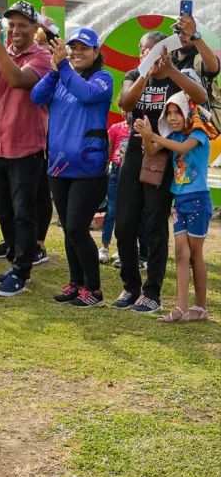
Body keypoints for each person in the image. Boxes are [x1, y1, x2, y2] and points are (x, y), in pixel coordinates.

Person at [113, 31, 207, 313]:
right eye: (145, 51)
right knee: (125, 224)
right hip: (135, 152)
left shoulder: (174, 79)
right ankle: (130, 286)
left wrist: (170, 71)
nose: (150, 56)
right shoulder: (134, 75)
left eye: (156, 51)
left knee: (154, 224)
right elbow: (125, 103)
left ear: (166, 52)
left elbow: (200, 96)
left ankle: (151, 292)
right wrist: (145, 73)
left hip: (164, 155)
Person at [0, 0, 53, 298]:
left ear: (34, 28)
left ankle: (22, 271)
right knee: (4, 210)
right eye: (11, 25)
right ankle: (14, 263)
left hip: (27, 147)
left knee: (23, 213)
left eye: (22, 25)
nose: (15, 30)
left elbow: (18, 80)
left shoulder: (42, 57)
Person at [30, 27, 114, 306]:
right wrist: (54, 71)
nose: (77, 52)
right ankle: (76, 283)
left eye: (84, 48)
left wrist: (63, 66)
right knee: (69, 229)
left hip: (88, 169)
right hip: (58, 167)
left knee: (77, 228)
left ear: (95, 53)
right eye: (73, 47)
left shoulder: (103, 78)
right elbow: (36, 97)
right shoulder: (61, 77)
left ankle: (95, 290)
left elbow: (87, 95)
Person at [135, 91, 212, 323]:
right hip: (180, 200)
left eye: (177, 112)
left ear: (188, 112)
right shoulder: (174, 138)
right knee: (180, 254)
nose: (172, 118)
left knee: (195, 254)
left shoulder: (198, 133)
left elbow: (181, 150)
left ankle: (200, 307)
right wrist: (147, 135)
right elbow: (150, 151)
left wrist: (154, 136)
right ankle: (180, 308)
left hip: (197, 199)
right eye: (168, 114)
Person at [99, 118, 131, 264]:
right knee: (111, 210)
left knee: (126, 212)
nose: (127, 112)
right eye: (125, 108)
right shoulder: (115, 128)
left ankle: (121, 248)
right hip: (116, 171)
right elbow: (109, 150)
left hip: (132, 173)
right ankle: (104, 247)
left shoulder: (140, 128)